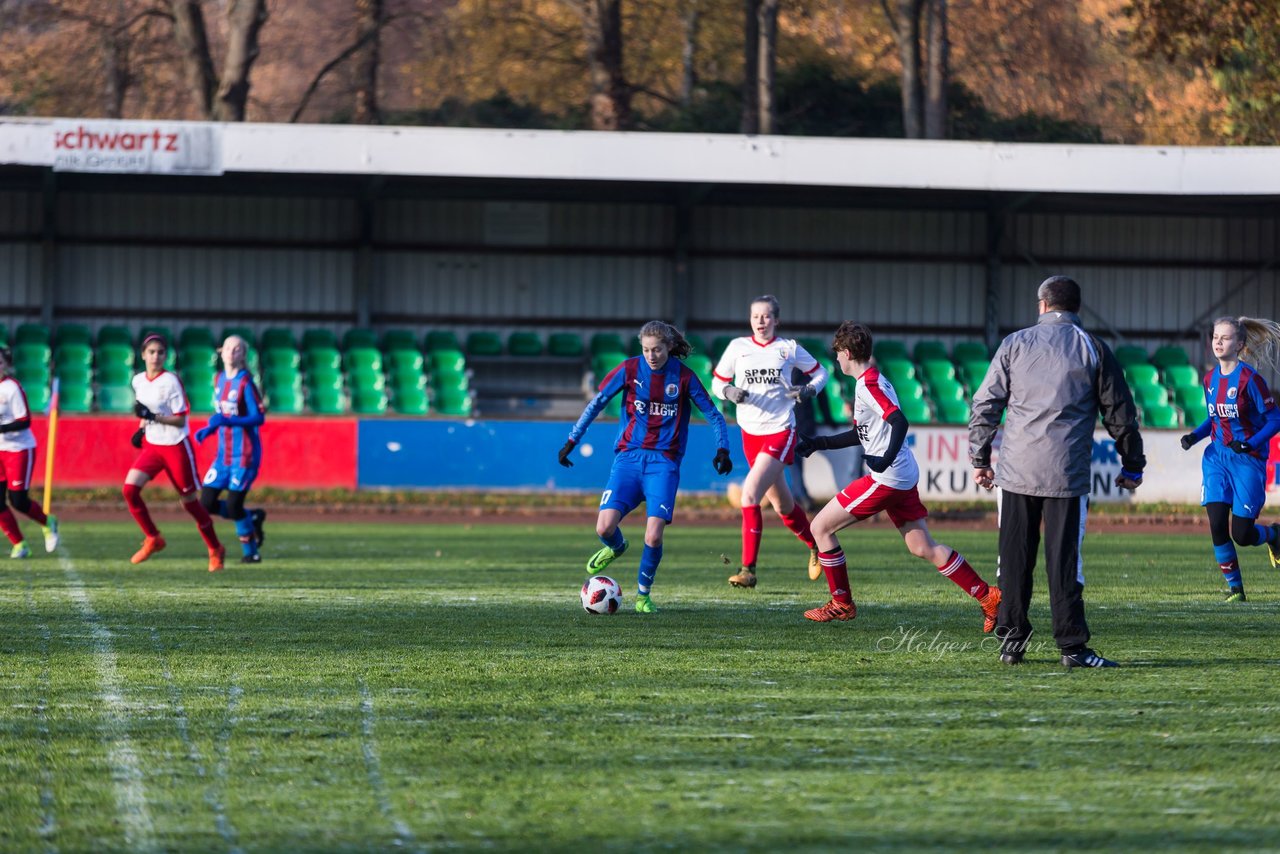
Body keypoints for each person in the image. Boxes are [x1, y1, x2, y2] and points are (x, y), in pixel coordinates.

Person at [970, 275, 1145, 668]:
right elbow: (1120, 412)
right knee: (1065, 562)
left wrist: (980, 459)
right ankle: (1072, 647)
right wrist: (1132, 464)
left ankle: (1011, 643)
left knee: (1013, 560)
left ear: (1042, 305)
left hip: (1016, 472)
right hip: (1066, 474)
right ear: (1076, 308)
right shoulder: (1093, 347)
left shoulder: (1014, 343)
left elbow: (986, 403)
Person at [796, 322, 1002, 630]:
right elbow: (863, 434)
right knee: (922, 547)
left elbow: (899, 422)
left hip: (888, 477)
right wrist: (819, 444)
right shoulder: (871, 380)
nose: (836, 359)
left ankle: (841, 603)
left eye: (837, 353)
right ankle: (988, 595)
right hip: (902, 474)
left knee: (820, 527)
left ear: (848, 353)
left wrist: (884, 459)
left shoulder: (869, 385)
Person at [559, 320, 733, 613]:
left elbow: (714, 415)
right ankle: (616, 547)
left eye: (657, 350)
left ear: (668, 348)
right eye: (646, 350)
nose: (651, 355)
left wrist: (723, 448)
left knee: (653, 535)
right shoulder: (629, 369)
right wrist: (571, 440)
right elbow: (598, 402)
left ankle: (643, 595)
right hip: (628, 459)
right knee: (604, 526)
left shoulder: (684, 377)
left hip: (663, 464)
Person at [712, 295, 828, 588]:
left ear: (776, 320)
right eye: (755, 316)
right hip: (749, 434)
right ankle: (817, 545)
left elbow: (821, 372)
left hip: (780, 430)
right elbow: (717, 381)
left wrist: (810, 390)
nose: (760, 322)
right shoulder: (738, 347)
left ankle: (748, 570)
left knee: (749, 495)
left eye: (766, 316)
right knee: (784, 506)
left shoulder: (788, 348)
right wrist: (728, 392)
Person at [1179, 316, 1280, 602]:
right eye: (1215, 337)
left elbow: (1275, 420)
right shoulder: (1209, 378)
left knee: (1243, 534)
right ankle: (1236, 590)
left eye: (1225, 337)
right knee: (1216, 523)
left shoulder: (1251, 380)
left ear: (1240, 344)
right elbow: (1213, 419)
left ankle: (1274, 536)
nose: (1218, 342)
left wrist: (1250, 444)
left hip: (1247, 461)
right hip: (1216, 459)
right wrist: (1194, 437)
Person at [124, 333, 225, 572]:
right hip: (153, 445)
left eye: (160, 352)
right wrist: (141, 429)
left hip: (176, 445)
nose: (156, 356)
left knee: (189, 502)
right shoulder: (138, 380)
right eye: (151, 352)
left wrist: (153, 418)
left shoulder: (171, 381)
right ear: (143, 355)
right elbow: (144, 411)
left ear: (166, 356)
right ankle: (153, 538)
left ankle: (215, 548)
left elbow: (180, 421)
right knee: (129, 490)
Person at [194, 334, 268, 564]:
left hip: (244, 455)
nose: (231, 352)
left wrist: (227, 421)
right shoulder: (219, 379)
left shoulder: (246, 382)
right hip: (222, 456)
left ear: (243, 355)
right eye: (228, 348)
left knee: (235, 505)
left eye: (237, 349)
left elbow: (258, 418)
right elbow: (222, 416)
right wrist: (209, 430)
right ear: (221, 351)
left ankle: (251, 553)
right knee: (205, 503)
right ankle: (252, 516)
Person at [0, 347, 59, 558]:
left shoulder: (11, 388)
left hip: (18, 448)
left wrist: (2, 428)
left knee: (18, 500)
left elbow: (24, 421)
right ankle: (20, 544)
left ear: (6, 365)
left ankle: (48, 522)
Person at [788, 364, 834, 513]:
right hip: (800, 424)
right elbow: (822, 397)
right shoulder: (807, 373)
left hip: (793, 425)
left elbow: (821, 395)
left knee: (794, 460)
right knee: (795, 460)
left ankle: (799, 495)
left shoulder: (784, 372)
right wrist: (828, 419)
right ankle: (800, 495)